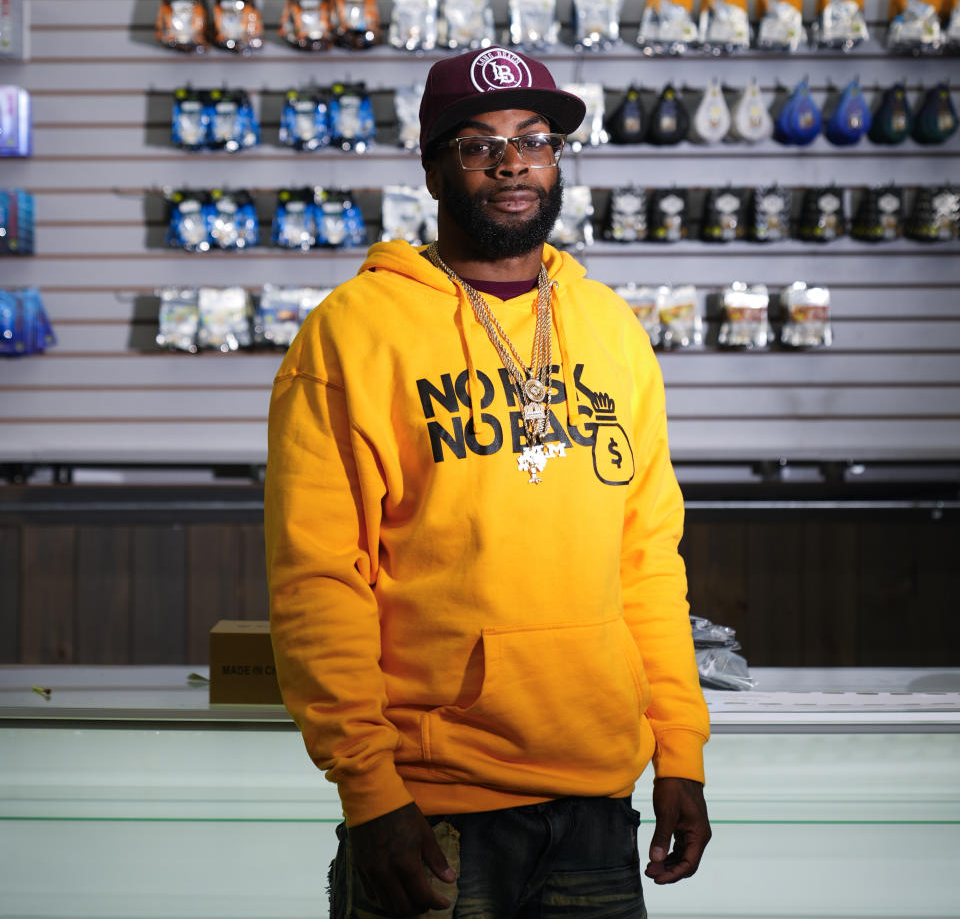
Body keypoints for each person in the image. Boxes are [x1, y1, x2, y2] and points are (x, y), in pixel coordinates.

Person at [264, 45, 711, 919]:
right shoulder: (353, 335)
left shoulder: (612, 330)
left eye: (535, 139)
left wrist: (682, 755)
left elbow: (647, 563)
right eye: (479, 144)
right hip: (430, 808)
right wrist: (371, 793)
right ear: (433, 169)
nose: (513, 161)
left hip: (596, 802)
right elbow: (319, 578)